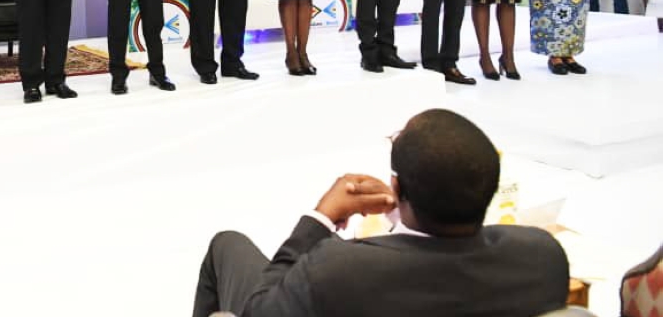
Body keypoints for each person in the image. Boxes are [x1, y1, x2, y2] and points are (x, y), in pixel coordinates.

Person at [192, 108, 570, 317]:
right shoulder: (542, 256)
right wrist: (402, 217)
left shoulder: (336, 270)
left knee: (226, 245)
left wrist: (320, 218)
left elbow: (260, 310)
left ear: (397, 187)